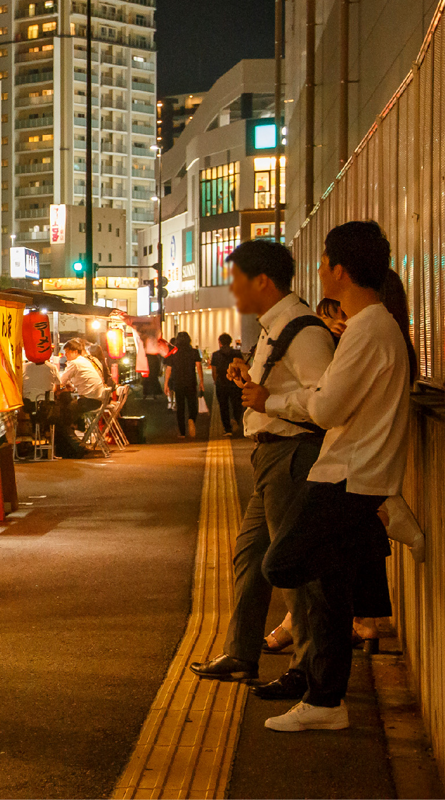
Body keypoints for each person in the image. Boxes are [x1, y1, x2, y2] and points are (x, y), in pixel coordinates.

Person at [242, 221, 412, 732]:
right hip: (353, 474)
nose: (318, 271)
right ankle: (325, 699)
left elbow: (327, 406)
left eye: (322, 262)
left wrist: (273, 400)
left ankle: (325, 695)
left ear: (339, 269)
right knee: (326, 578)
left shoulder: (366, 329)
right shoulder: (374, 326)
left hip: (348, 475)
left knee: (284, 564)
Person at [188, 240, 334, 703]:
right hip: (271, 456)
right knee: (250, 555)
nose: (232, 290)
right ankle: (240, 653)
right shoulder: (276, 328)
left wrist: (266, 400)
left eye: (235, 279)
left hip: (292, 456)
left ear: (262, 281)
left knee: (293, 569)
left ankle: (309, 673)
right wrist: (250, 382)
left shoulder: (304, 331)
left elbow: (326, 403)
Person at [164, 332, 204, 439]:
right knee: (192, 405)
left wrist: (166, 384)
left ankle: (182, 433)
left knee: (180, 407)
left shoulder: (173, 352)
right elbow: (199, 367)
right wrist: (201, 382)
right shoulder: (194, 352)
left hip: (178, 383)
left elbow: (168, 369)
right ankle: (191, 418)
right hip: (191, 382)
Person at [58, 339, 107, 422]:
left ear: (75, 352)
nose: (65, 355)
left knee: (65, 409)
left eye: (67, 352)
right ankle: (78, 428)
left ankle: (70, 432)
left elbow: (60, 381)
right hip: (97, 400)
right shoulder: (84, 361)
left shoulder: (75, 363)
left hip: (89, 402)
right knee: (70, 404)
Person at [209, 333, 244, 437]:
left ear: (219, 342)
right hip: (235, 382)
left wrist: (216, 381)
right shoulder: (237, 353)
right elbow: (242, 367)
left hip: (221, 383)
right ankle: (236, 419)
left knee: (223, 407)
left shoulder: (216, 355)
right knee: (237, 404)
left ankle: (227, 429)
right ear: (230, 341)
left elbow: (214, 371)